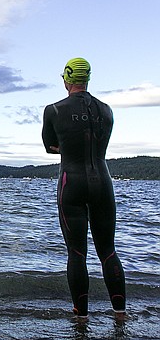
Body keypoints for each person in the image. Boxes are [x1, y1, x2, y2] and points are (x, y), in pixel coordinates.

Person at [41, 57, 126, 321]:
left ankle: (81, 317)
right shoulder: (107, 110)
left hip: (72, 181)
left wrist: (68, 146)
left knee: (77, 253)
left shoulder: (54, 109)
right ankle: (120, 314)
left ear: (66, 79)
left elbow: (49, 146)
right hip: (102, 181)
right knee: (108, 250)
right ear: (87, 79)